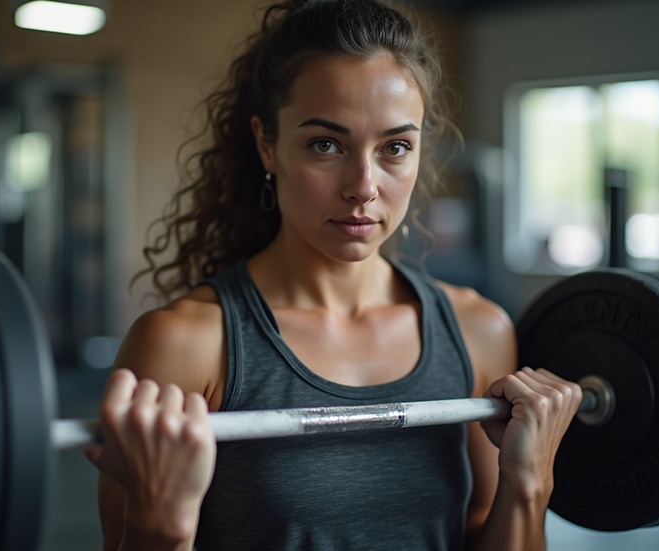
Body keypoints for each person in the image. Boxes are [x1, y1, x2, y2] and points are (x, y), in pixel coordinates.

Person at [85, 1, 582, 550]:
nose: (364, 186)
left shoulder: (479, 330)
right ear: (267, 144)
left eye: (395, 147)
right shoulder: (185, 347)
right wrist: (163, 529)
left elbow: (486, 527)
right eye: (326, 144)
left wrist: (531, 485)